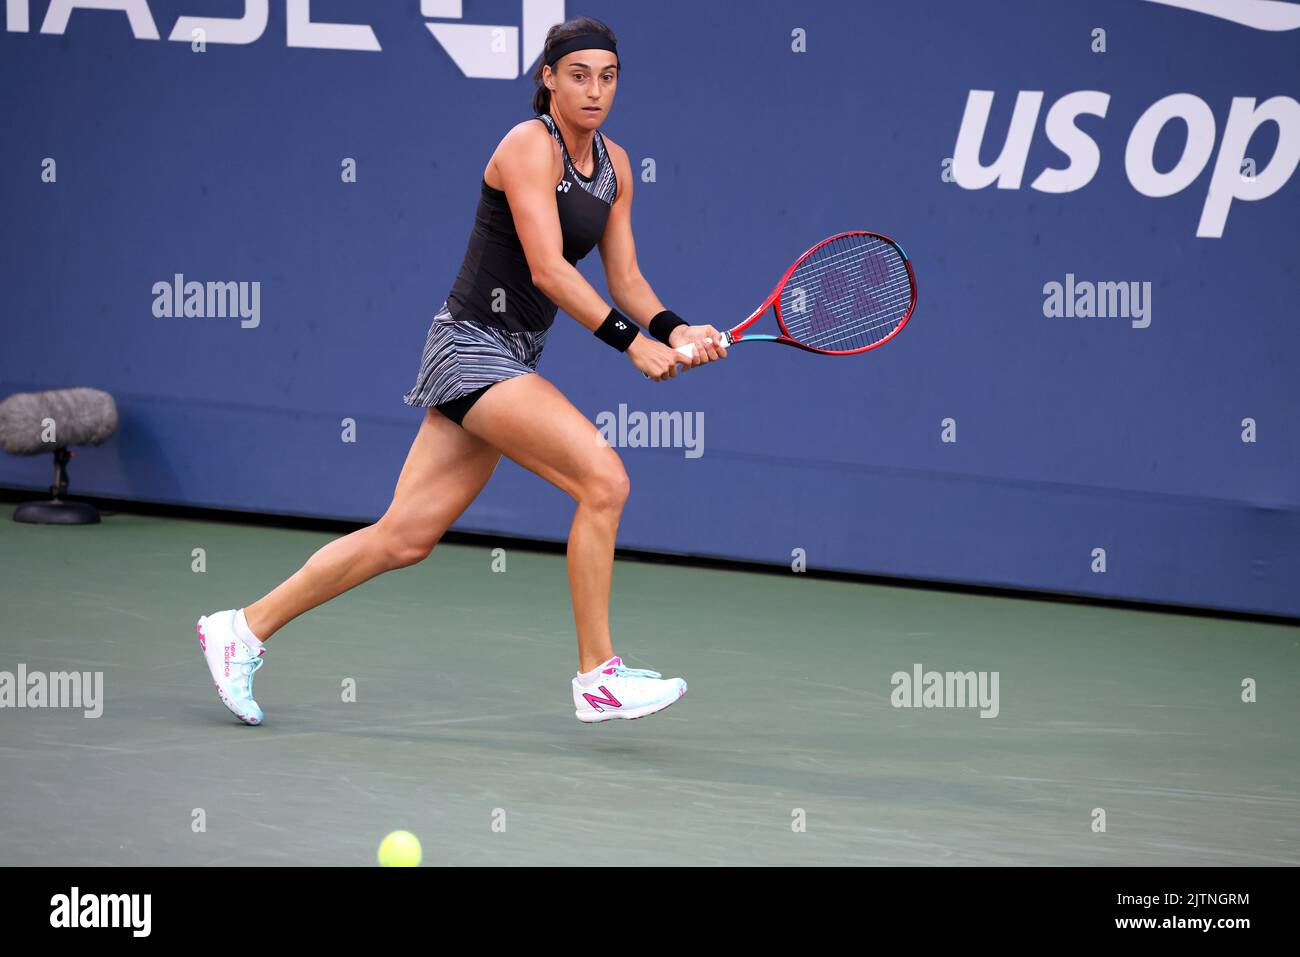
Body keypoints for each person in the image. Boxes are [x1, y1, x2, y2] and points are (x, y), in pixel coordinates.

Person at [198, 15, 725, 726]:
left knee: (404, 536)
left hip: (514, 356)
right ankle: (598, 675)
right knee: (605, 478)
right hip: (472, 345)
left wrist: (673, 327)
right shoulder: (525, 146)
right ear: (548, 78)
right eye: (578, 75)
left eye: (607, 76)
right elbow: (545, 268)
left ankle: (241, 629)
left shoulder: (616, 166)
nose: (595, 90)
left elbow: (625, 277)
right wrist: (631, 343)